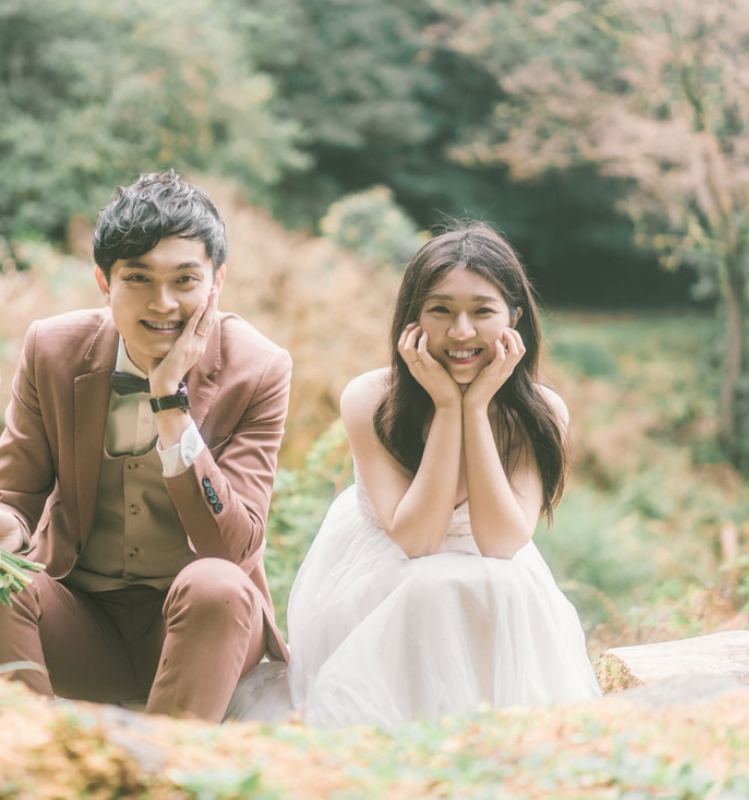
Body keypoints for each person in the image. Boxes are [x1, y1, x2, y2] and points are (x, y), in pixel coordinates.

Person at [0, 170, 291, 722]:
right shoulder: (52, 348)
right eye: (138, 279)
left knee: (217, 583)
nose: (164, 302)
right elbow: (11, 496)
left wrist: (170, 402)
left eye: (185, 280)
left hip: (204, 626)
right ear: (104, 282)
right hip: (80, 622)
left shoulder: (260, 368)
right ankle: (23, 766)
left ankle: (159, 773)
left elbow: (235, 546)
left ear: (216, 283)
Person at [230, 222, 600, 727]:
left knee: (501, 586)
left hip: (494, 574)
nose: (462, 331)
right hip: (384, 574)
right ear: (413, 320)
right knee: (432, 586)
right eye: (441, 310)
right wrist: (449, 406)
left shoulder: (540, 411)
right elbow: (419, 540)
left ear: (514, 317)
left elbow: (501, 543)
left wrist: (478, 409)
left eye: (483, 311)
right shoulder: (370, 399)